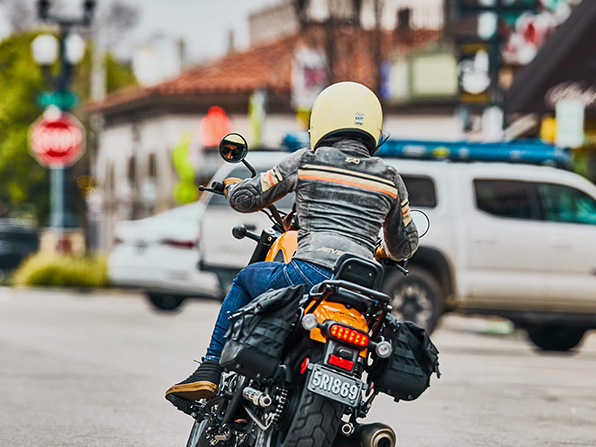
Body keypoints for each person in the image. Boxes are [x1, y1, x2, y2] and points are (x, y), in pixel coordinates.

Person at [166, 81, 419, 402]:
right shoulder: (390, 178)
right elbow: (405, 246)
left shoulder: (307, 160)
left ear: (322, 121)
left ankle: (210, 369)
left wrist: (231, 186)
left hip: (309, 274)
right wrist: (382, 249)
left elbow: (248, 197)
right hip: (363, 287)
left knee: (245, 279)